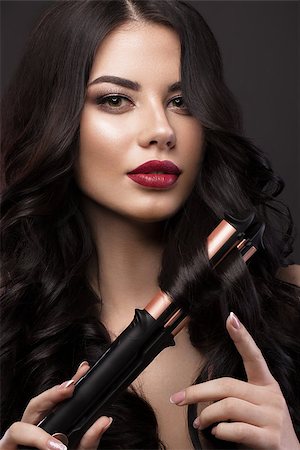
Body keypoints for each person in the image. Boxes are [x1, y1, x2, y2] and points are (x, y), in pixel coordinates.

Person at [1, 1, 299, 449]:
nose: (161, 130)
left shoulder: (293, 306)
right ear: (56, 118)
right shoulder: (10, 325)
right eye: (115, 99)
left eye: (182, 101)